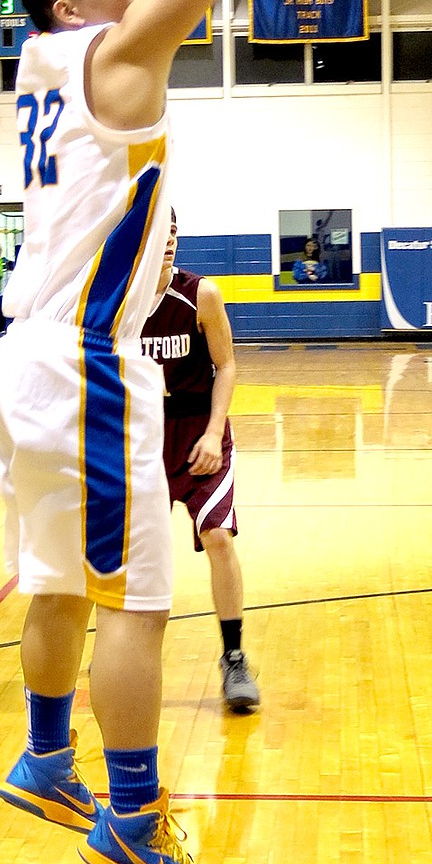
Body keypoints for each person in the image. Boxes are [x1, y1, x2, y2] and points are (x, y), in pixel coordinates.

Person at [0, 0, 301, 864]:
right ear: (74, 9)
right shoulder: (109, 60)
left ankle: (44, 758)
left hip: (23, 361)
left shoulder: (45, 65)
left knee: (57, 583)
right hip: (84, 365)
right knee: (140, 603)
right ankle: (128, 821)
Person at [141, 209, 260, 712]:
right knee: (131, 554)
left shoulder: (200, 294)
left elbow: (227, 364)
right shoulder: (116, 300)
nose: (167, 241)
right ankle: (123, 648)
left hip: (197, 430)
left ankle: (233, 656)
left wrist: (214, 432)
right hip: (140, 436)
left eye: (173, 232)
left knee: (216, 535)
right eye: (157, 233)